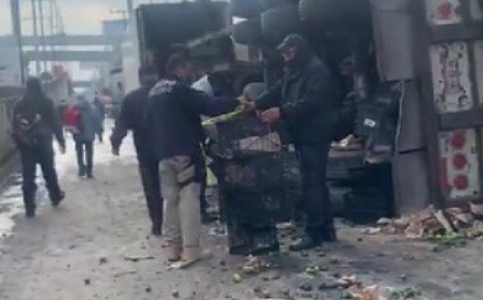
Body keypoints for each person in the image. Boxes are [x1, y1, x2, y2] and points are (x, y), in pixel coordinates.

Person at [147, 54, 241, 267]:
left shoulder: (154, 92)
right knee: (189, 199)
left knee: (170, 201)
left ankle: (173, 250)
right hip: (184, 152)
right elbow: (210, 106)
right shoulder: (180, 90)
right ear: (180, 68)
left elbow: (147, 123)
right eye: (188, 69)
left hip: (163, 154)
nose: (190, 74)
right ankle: (191, 251)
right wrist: (237, 102)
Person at [252, 34, 338, 251]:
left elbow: (312, 102)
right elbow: (278, 91)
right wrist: (256, 104)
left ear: (299, 49)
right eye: (283, 52)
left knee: (312, 184)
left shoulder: (316, 70)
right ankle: (326, 230)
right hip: (303, 133)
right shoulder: (295, 70)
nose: (284, 55)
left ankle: (314, 233)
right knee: (316, 181)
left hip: (315, 134)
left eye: (288, 51)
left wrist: (281, 112)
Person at [111, 67, 162, 236]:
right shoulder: (166, 94)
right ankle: (174, 223)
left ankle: (157, 223)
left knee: (152, 187)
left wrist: (115, 142)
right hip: (168, 147)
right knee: (173, 186)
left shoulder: (132, 98)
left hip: (145, 150)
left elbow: (122, 123)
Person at [12, 77, 66, 218]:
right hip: (44, 142)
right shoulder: (46, 102)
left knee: (28, 175)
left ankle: (29, 206)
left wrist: (19, 141)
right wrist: (61, 140)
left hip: (26, 145)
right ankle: (55, 195)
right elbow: (55, 122)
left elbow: (13, 126)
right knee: (49, 170)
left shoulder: (20, 104)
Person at [72, 93, 103, 178]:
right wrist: (99, 131)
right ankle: (89, 171)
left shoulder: (74, 109)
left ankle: (81, 168)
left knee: (79, 152)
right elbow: (97, 120)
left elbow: (69, 120)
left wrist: (71, 130)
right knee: (89, 152)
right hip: (89, 134)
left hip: (78, 134)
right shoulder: (92, 109)